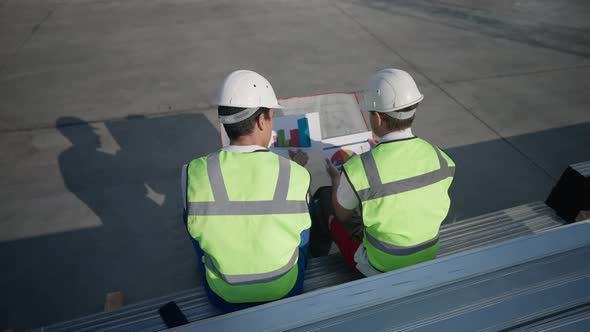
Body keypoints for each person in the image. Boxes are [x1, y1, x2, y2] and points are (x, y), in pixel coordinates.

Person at [182, 70, 311, 312]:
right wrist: (296, 169)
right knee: (305, 212)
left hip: (223, 294)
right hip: (283, 289)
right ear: (262, 121)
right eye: (271, 116)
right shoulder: (295, 173)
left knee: (195, 214)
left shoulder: (192, 171)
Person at [312, 68, 455, 276]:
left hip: (380, 264)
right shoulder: (441, 158)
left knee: (326, 200)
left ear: (378, 118)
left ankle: (317, 260)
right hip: (427, 253)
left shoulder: (358, 168)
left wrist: (336, 179)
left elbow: (343, 214)